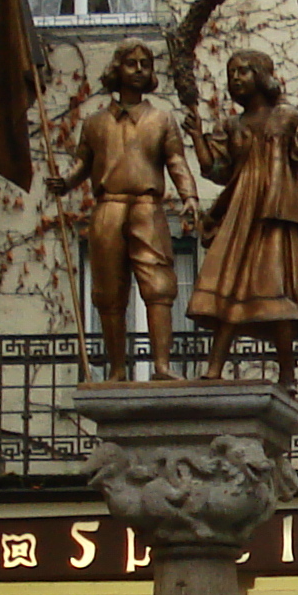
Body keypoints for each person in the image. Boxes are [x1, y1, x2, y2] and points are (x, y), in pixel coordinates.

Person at [188, 48, 298, 386]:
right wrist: (197, 137)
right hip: (241, 216)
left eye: (243, 71)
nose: (236, 79)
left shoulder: (287, 119)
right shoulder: (232, 125)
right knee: (231, 287)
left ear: (262, 74)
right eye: (231, 74)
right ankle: (215, 367)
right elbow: (215, 169)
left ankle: (287, 371)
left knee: (277, 291)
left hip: (274, 213)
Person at [53, 40, 200, 383]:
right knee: (108, 290)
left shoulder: (161, 119)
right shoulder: (94, 123)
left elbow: (176, 160)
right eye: (131, 63)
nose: (138, 69)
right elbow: (81, 164)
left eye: (145, 64)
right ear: (116, 69)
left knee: (159, 286)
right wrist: (66, 181)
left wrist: (189, 195)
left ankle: (162, 366)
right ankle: (117, 368)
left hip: (147, 207)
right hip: (109, 207)